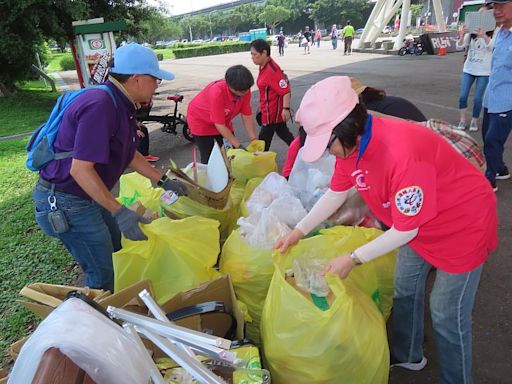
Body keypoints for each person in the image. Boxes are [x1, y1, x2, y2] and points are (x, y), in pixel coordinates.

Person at [275, 76, 497, 384]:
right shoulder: (351, 148)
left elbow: (406, 231)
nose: (328, 153)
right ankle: (408, 356)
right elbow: (337, 192)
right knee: (405, 286)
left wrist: (352, 258)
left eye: (328, 144)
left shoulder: (401, 152)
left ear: (347, 128)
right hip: (415, 221)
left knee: (446, 313)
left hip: (462, 223)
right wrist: (298, 230)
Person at [32, 43, 186, 291]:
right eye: (155, 79)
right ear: (137, 79)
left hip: (86, 196)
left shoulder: (120, 103)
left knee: (117, 251)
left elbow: (128, 154)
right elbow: (80, 170)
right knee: (103, 274)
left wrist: (164, 181)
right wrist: (119, 211)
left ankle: (119, 307)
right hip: (66, 201)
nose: (157, 85)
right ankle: (99, 319)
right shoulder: (101, 104)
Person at [282, 78, 427, 178]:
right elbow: (340, 188)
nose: (330, 153)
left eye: (328, 144)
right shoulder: (358, 137)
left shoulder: (392, 144)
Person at [187, 65, 257, 163]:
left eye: (247, 89)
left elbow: (247, 116)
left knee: (232, 155)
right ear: (229, 85)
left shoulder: (244, 89)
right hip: (200, 120)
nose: (245, 93)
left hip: (223, 121)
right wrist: (239, 146)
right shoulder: (217, 92)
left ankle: (232, 177)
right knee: (209, 157)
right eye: (242, 91)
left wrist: (254, 140)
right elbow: (220, 125)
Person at [482, 0, 512, 192]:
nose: (496, 11)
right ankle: (500, 168)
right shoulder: (501, 33)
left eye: (502, 5)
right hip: (491, 97)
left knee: (493, 140)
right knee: (487, 136)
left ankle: (489, 180)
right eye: (495, 6)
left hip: (506, 100)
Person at [250, 39, 294, 151]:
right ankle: (300, 151)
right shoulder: (263, 66)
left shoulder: (271, 70)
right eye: (251, 54)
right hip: (268, 111)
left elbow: (285, 90)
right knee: (284, 134)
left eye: (254, 54)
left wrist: (286, 108)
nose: (252, 57)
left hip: (272, 115)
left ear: (264, 53)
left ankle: (260, 162)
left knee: (263, 143)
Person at [455, 25, 493, 131]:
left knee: (477, 98)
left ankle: (474, 120)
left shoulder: (492, 35)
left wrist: (484, 35)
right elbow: (459, 46)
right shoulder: (470, 35)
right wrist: (462, 36)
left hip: (484, 72)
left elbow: (491, 47)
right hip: (469, 69)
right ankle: (462, 120)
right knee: (463, 96)